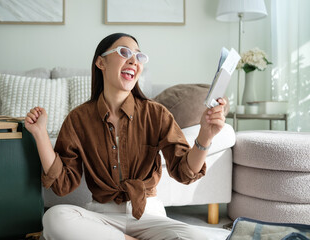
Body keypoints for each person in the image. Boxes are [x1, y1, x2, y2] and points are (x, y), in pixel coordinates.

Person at [25, 33, 227, 240]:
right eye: (124, 52)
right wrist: (40, 134)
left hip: (148, 216)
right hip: (101, 218)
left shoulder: (156, 114)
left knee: (197, 237)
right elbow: (63, 184)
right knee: (55, 218)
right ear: (101, 62)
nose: (133, 60)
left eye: (139, 57)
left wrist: (205, 136)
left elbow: (184, 173)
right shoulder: (78, 118)